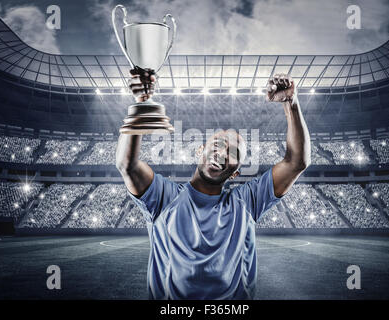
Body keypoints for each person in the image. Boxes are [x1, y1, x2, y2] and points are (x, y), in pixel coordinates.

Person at [116, 70, 311, 299]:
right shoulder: (164, 198)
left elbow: (297, 162)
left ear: (235, 173)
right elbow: (127, 164)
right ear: (200, 150)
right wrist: (142, 102)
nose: (222, 152)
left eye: (233, 152)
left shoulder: (245, 203)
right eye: (217, 143)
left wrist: (291, 103)